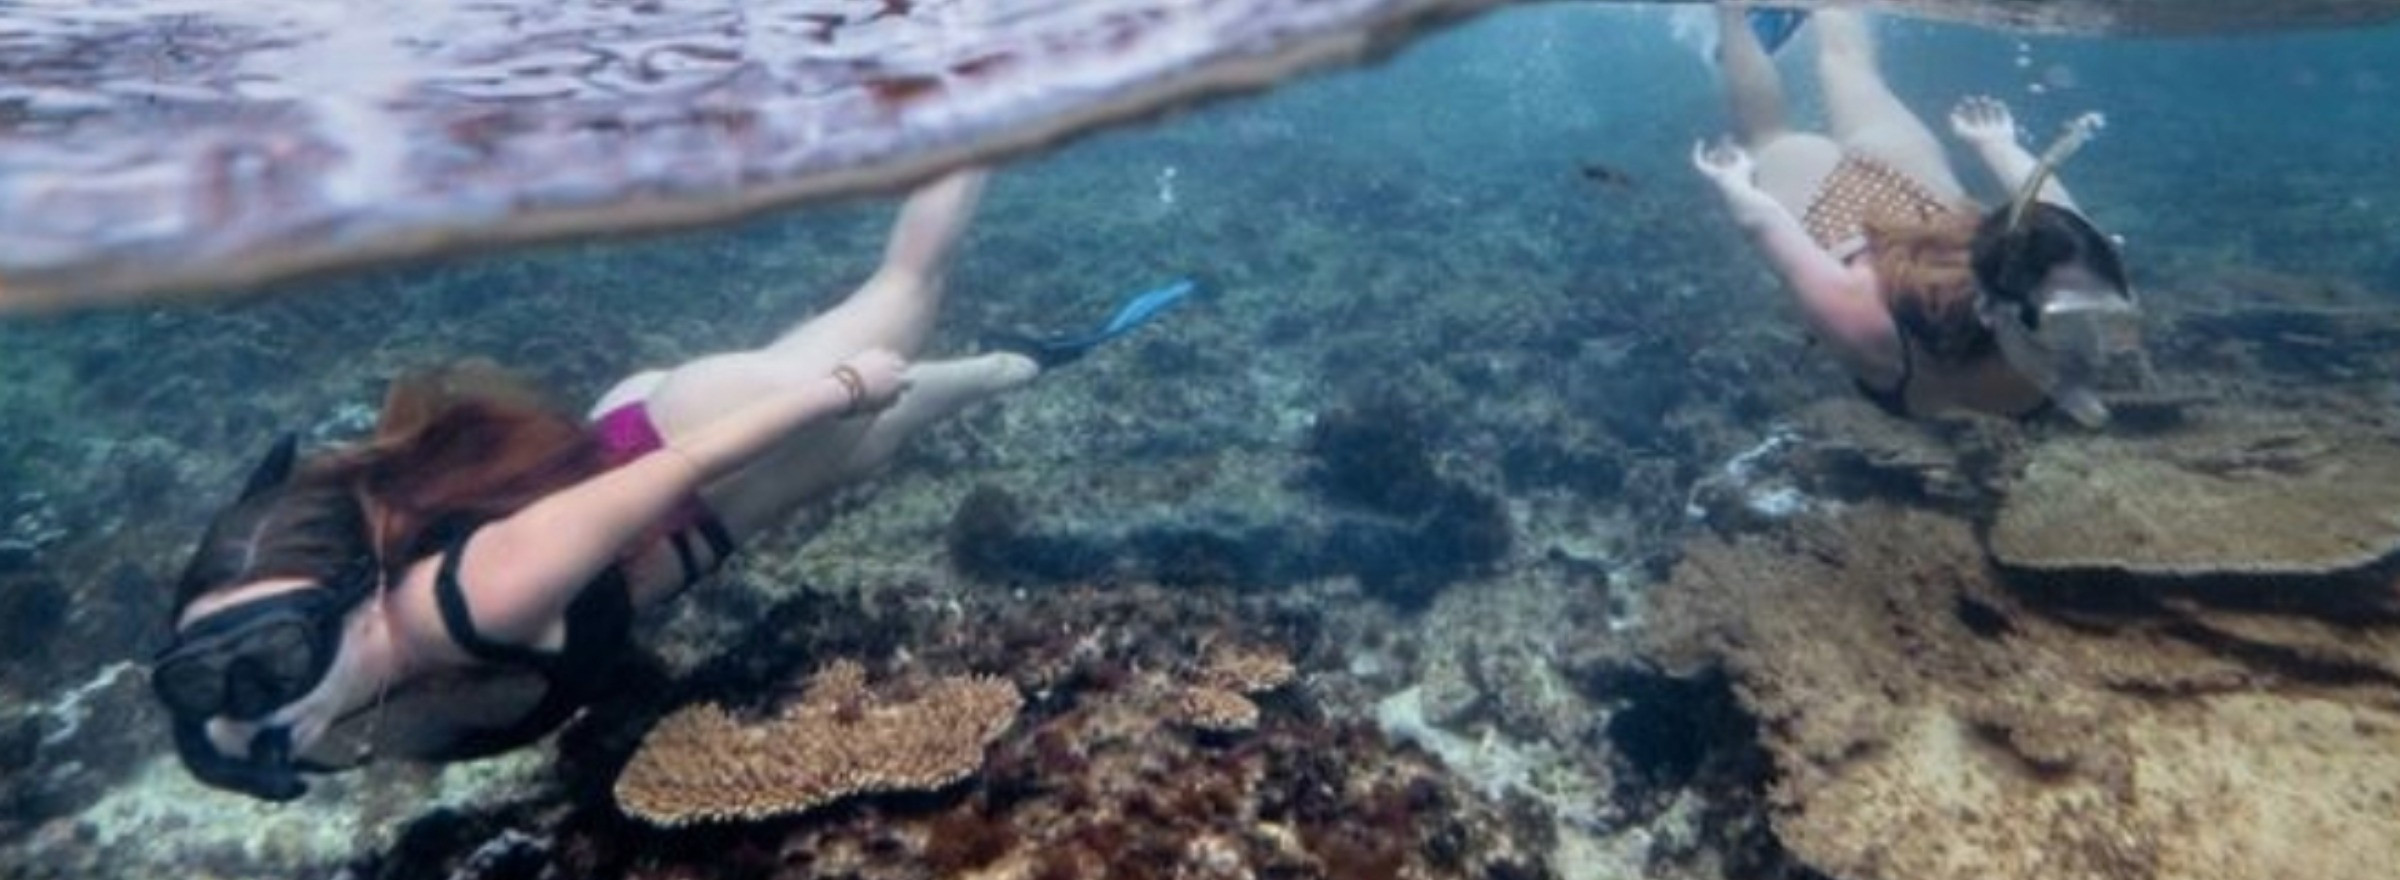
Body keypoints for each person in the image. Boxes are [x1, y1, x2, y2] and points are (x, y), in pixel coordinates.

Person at [147, 169, 1184, 800]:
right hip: (664, 469)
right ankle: (1025, 358)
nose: (288, 730)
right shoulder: (256, 609)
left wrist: (837, 388)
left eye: (276, 716)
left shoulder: (473, 602)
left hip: (692, 447)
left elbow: (684, 465)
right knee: (921, 395)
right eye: (266, 748)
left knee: (905, 302)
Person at [1690, 6, 2142, 426]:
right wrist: (1733, 181)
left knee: (1849, 66)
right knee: (1766, 135)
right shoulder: (1875, 337)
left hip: (1917, 188)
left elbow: (2058, 217)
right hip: (1835, 212)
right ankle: (1732, 15)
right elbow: (1763, 228)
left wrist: (1996, 145)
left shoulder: (2072, 309)